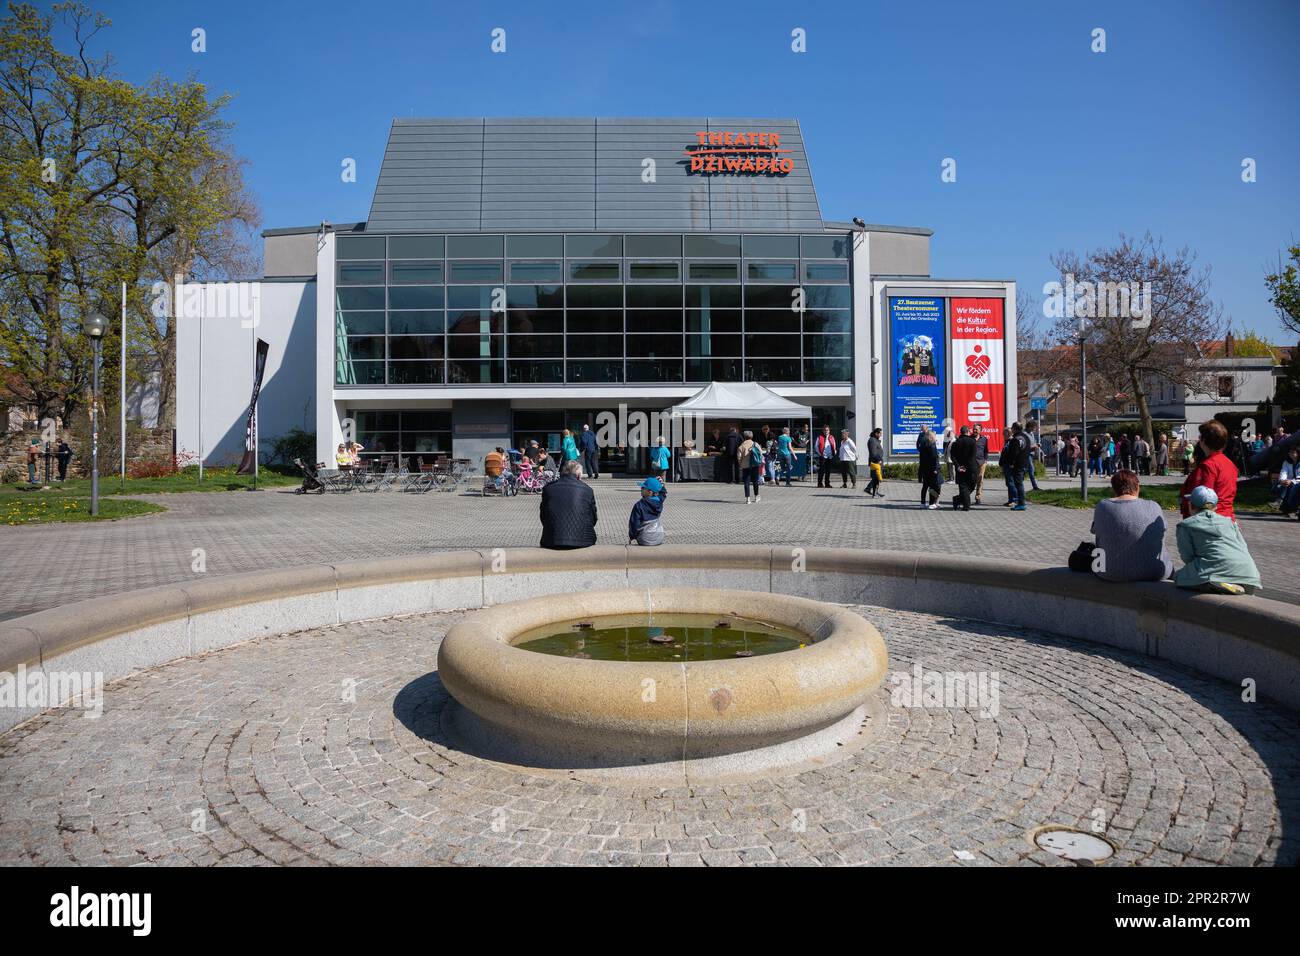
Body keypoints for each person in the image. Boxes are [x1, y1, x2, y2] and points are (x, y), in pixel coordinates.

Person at [1089, 470, 1172, 582]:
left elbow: (1095, 530)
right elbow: (1163, 529)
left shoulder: (1103, 506)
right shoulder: (1154, 506)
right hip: (1155, 571)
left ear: (1114, 488)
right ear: (1137, 486)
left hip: (1108, 572)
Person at [1175, 486, 1260, 594]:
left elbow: (1188, 557)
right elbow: (1243, 546)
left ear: (1190, 505)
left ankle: (1217, 583)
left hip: (1217, 571)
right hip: (1249, 573)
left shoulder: (1186, 526)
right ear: (1215, 507)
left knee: (1179, 577)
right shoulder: (1230, 523)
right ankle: (1234, 584)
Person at [1179, 420, 1237, 521]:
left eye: (1200, 436)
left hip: (1209, 521)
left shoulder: (1208, 466)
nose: (1199, 439)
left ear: (1205, 440)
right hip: (1227, 518)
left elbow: (1202, 498)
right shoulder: (1229, 464)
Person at [540, 459, 598, 549]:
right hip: (583, 540)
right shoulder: (587, 490)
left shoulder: (548, 489)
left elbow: (543, 516)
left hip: (551, 540)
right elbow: (593, 518)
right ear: (578, 475)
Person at [628, 476, 668, 546]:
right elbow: (663, 494)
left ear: (650, 492)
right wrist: (660, 485)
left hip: (645, 539)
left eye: (643, 488)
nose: (641, 489)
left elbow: (634, 523)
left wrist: (632, 536)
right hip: (659, 537)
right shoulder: (659, 502)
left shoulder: (639, 505)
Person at [949, 425, 978, 511]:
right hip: (970, 467)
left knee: (963, 487)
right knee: (971, 485)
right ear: (968, 432)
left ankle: (957, 499)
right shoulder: (972, 442)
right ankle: (966, 506)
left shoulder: (956, 442)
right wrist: (966, 466)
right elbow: (972, 456)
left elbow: (952, 457)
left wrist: (958, 466)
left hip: (960, 468)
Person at [1006, 421, 1031, 511]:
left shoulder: (1015, 439)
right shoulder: (1026, 438)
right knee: (1020, 483)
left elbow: (1014, 453)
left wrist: (1012, 463)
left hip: (1017, 465)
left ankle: (1021, 503)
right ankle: (1021, 502)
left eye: (1012, 428)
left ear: (1014, 429)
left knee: (1018, 484)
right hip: (1024, 463)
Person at [917, 429, 942, 509]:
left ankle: (922, 503)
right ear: (932, 436)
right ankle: (932, 503)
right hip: (932, 469)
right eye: (934, 436)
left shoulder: (923, 445)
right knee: (932, 486)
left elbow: (921, 458)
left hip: (924, 469)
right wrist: (936, 468)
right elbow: (934, 458)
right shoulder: (932, 445)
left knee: (925, 486)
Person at [738, 430, 763, 504]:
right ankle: (756, 497)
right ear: (751, 436)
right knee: (755, 481)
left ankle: (748, 499)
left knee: (746, 482)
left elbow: (739, 457)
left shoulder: (741, 445)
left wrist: (740, 464)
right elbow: (760, 453)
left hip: (745, 466)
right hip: (755, 465)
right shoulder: (756, 444)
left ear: (744, 437)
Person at [1274, 445, 1300, 517]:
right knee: (1286, 485)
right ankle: (1284, 506)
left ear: (1298, 453)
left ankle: (1284, 504)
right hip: (1287, 482)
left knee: (1291, 486)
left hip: (1297, 482)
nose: (1290, 454)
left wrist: (1291, 481)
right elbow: (1283, 472)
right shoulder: (1286, 462)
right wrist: (1283, 480)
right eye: (1289, 452)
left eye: (1293, 452)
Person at [864, 428, 885, 497]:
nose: (881, 435)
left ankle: (870, 489)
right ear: (876, 433)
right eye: (880, 433)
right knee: (876, 477)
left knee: (876, 477)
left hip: (878, 461)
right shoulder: (872, 440)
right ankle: (874, 492)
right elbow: (873, 453)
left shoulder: (875, 440)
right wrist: (878, 460)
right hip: (876, 462)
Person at [972, 423, 989, 504]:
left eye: (976, 429)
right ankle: (965, 496)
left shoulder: (984, 439)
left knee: (980, 480)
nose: (974, 430)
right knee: (971, 480)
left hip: (981, 462)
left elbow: (986, 450)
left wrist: (985, 460)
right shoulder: (970, 438)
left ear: (980, 430)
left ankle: (978, 497)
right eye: (974, 429)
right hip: (971, 463)